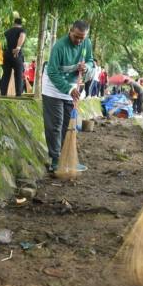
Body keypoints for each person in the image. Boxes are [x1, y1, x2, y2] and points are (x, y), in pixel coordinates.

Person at [42, 20, 94, 172]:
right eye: (76, 37)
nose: (79, 41)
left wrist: (87, 67)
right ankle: (56, 159)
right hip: (53, 87)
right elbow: (52, 72)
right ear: (70, 31)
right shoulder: (59, 46)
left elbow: (90, 60)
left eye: (82, 38)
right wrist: (67, 89)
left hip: (71, 87)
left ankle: (67, 158)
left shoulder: (86, 43)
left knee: (68, 125)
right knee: (55, 124)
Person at [1, 18, 26, 97]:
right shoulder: (21, 30)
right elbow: (22, 36)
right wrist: (18, 47)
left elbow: (2, 43)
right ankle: (18, 94)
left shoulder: (6, 32)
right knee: (18, 75)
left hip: (6, 54)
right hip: (16, 54)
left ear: (14, 23)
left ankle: (3, 94)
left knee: (5, 75)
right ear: (21, 24)